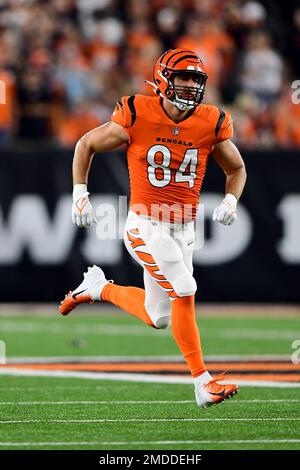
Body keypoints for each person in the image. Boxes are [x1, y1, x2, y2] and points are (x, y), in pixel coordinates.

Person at [59, 48, 246, 407]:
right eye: (183, 77)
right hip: (145, 222)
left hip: (184, 228)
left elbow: (236, 169)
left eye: (196, 79)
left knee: (159, 316)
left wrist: (230, 200)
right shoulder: (136, 112)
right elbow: (87, 144)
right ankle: (202, 383)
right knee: (184, 286)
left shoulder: (211, 120)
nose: (190, 85)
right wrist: (79, 193)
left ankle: (98, 288)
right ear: (163, 79)